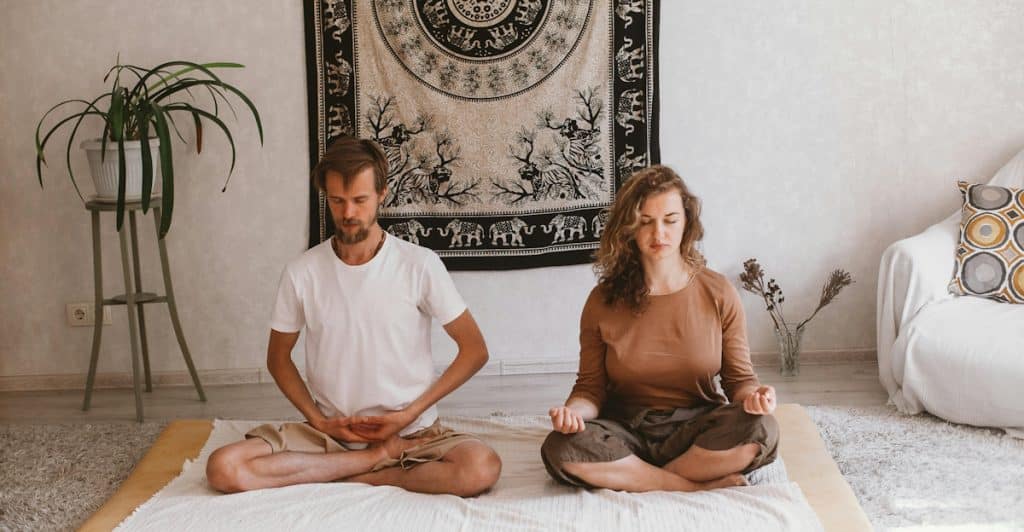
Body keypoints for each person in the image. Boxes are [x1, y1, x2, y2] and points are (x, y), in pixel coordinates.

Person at [205, 137, 501, 496]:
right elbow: (278, 359)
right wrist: (319, 421)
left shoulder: (419, 264)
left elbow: (474, 350)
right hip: (330, 434)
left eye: (360, 200)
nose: (348, 213)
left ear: (381, 194)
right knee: (223, 468)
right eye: (337, 201)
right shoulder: (302, 272)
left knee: (481, 467)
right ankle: (371, 461)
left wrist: (409, 415)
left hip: (410, 433)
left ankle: (357, 474)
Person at [540, 165, 779, 492]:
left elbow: (739, 380)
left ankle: (640, 477)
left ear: (687, 223)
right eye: (645, 222)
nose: (659, 234)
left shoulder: (719, 292)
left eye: (670, 220)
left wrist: (756, 398)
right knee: (560, 447)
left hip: (697, 432)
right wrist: (572, 414)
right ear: (629, 227)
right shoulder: (601, 300)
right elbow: (590, 389)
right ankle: (688, 485)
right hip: (625, 432)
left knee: (762, 429)